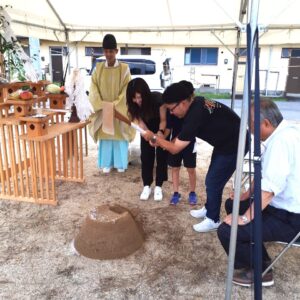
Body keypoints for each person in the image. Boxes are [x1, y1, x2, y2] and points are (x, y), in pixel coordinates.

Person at [217, 99, 300, 287]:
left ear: (266, 123)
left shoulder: (281, 142)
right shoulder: (287, 132)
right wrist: (245, 196)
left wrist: (245, 218)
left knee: (227, 231)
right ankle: (257, 252)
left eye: (252, 126)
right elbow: (263, 172)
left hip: (290, 217)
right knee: (233, 205)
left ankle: (261, 271)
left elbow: (269, 190)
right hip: (282, 207)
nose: (250, 131)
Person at [146, 81, 247, 232]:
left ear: (184, 102)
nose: (171, 113)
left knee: (213, 181)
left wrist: (155, 138)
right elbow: (181, 137)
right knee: (212, 179)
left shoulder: (195, 114)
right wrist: (161, 140)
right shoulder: (197, 102)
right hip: (224, 142)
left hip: (235, 145)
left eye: (172, 109)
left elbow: (174, 149)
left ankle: (213, 219)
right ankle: (209, 208)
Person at [88, 34, 135, 173]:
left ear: (116, 51)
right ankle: (106, 163)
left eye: (111, 51)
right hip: (103, 108)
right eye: (106, 51)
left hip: (118, 108)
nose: (108, 54)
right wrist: (103, 105)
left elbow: (127, 88)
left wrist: (114, 105)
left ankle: (121, 163)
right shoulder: (98, 68)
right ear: (103, 51)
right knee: (106, 135)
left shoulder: (124, 69)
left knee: (119, 133)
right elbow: (93, 88)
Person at [126, 77, 168, 201]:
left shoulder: (158, 100)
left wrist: (159, 135)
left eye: (140, 97)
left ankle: (159, 186)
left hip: (161, 128)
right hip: (146, 130)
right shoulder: (133, 106)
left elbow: (164, 120)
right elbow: (140, 122)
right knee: (146, 156)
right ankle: (147, 185)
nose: (137, 101)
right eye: (134, 98)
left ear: (145, 94)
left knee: (161, 156)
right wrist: (146, 134)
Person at [166, 80, 197, 206]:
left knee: (191, 169)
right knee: (175, 168)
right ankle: (175, 193)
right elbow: (168, 127)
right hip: (174, 142)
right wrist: (162, 137)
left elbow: (189, 130)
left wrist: (174, 140)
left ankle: (192, 192)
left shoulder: (192, 111)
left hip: (189, 142)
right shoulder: (172, 109)